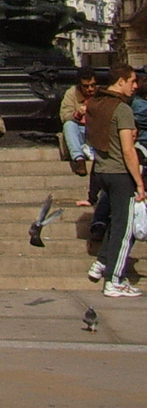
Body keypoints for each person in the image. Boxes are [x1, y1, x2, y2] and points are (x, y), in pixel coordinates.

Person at [85, 63, 146, 296]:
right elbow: (128, 149)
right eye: (132, 81)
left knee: (117, 220)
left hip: (102, 171)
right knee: (125, 227)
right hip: (121, 173)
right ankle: (114, 280)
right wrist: (139, 182)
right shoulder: (122, 110)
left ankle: (101, 263)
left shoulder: (97, 103)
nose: (135, 86)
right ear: (120, 81)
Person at [60, 69, 98, 175]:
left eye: (93, 85)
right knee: (69, 125)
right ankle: (79, 160)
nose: (90, 89)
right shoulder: (71, 93)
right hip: (80, 131)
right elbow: (64, 116)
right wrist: (77, 114)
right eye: (86, 86)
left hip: (96, 132)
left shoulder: (100, 94)